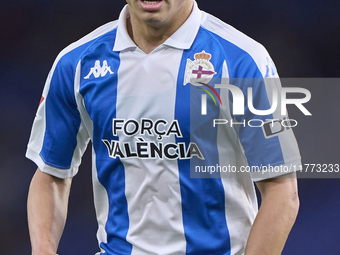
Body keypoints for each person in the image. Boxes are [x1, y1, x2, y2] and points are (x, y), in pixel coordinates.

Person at [26, 0, 300, 254]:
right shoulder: (75, 63)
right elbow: (52, 172)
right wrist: (43, 249)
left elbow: (282, 192)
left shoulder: (244, 60)